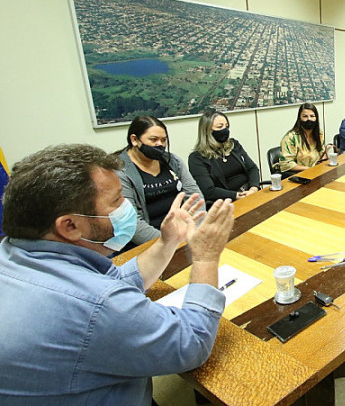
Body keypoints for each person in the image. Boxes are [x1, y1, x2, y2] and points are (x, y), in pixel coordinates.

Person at [0, 144, 235, 405]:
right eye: (116, 200)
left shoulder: (14, 255)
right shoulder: (94, 304)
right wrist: (204, 257)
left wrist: (167, 241)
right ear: (70, 225)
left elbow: (114, 282)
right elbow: (191, 343)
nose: (127, 207)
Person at [116, 115, 204, 247]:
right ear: (134, 140)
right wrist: (169, 242)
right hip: (149, 243)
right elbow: (132, 223)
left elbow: (195, 196)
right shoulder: (120, 171)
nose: (160, 145)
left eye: (163, 140)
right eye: (154, 140)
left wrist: (193, 229)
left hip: (182, 234)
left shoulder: (173, 161)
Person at [188, 110, 261, 205]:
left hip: (250, 195)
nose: (225, 130)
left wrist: (253, 189)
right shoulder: (197, 158)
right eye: (220, 126)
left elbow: (252, 168)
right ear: (207, 131)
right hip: (226, 203)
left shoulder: (234, 145)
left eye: (226, 126)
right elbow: (208, 190)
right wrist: (236, 195)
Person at [279, 102, 327, 173]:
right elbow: (285, 164)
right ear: (299, 118)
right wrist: (308, 169)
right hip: (299, 176)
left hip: (317, 173)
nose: (309, 119)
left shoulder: (319, 134)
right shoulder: (291, 137)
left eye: (312, 116)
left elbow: (322, 154)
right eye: (305, 116)